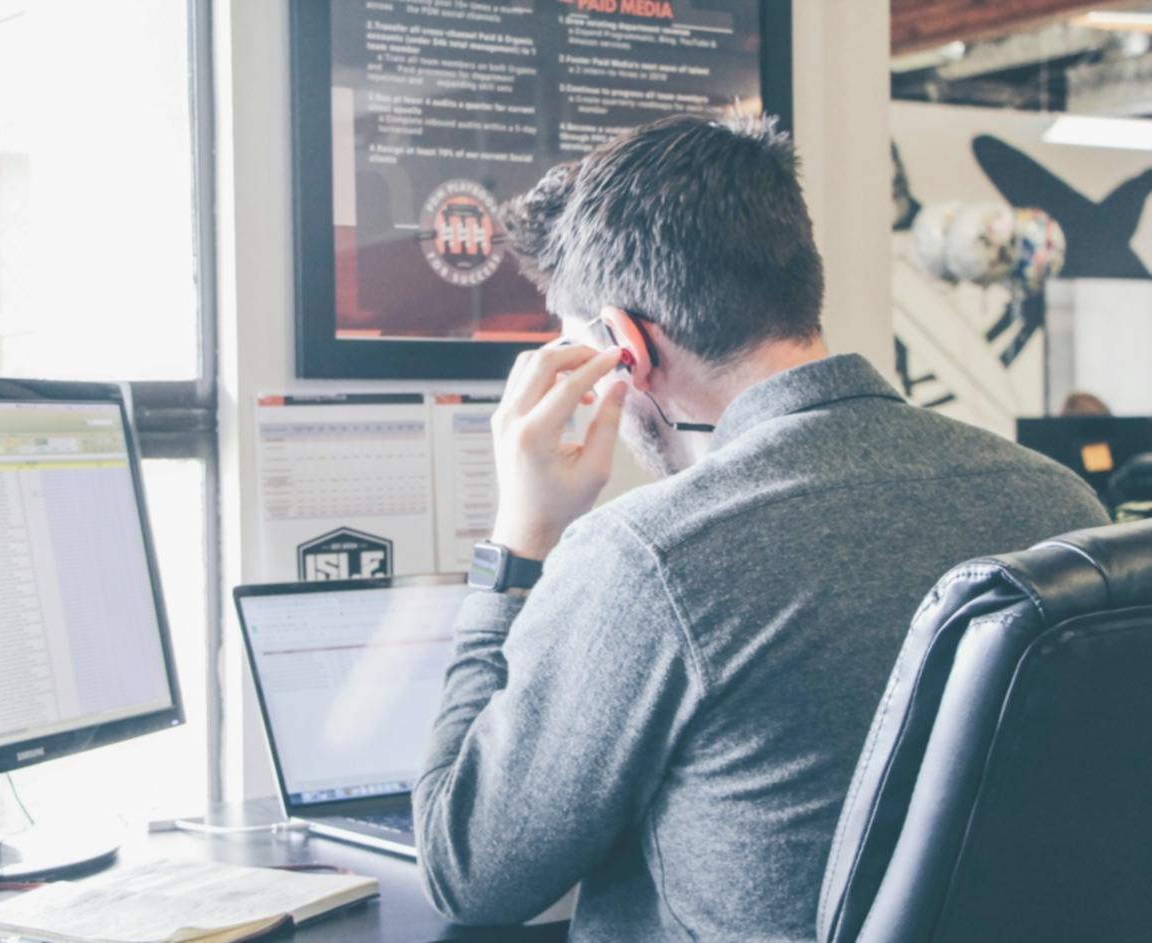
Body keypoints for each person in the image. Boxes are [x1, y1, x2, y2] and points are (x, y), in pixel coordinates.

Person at [413, 114, 1110, 942]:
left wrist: (515, 545)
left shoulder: (652, 557)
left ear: (626, 348)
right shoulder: (1062, 508)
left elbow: (467, 870)